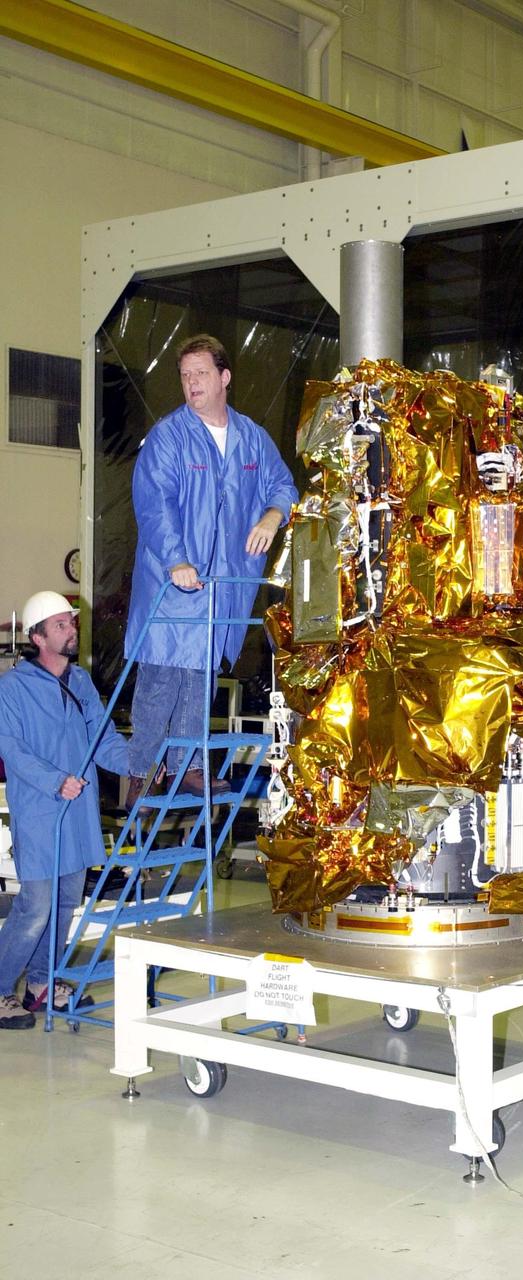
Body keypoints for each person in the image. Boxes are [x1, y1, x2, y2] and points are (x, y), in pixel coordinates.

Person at [124, 334, 298, 809]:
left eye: (201, 373)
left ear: (224, 378)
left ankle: (189, 766)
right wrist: (176, 560)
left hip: (222, 586)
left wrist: (272, 516)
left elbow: (283, 485)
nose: (192, 382)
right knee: (162, 677)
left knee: (199, 678)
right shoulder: (168, 437)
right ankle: (142, 772)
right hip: (173, 581)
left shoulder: (251, 438)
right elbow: (155, 504)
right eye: (185, 375)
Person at [0, 592, 129, 1029]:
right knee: (36, 906)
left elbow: (103, 739)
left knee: (65, 903)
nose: (71, 629)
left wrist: (138, 764)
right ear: (37, 637)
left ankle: (41, 982)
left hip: (77, 813)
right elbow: (11, 749)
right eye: (60, 625)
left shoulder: (82, 682)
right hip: (40, 810)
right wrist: (55, 780)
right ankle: (0, 989)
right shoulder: (12, 688)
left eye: (71, 622)